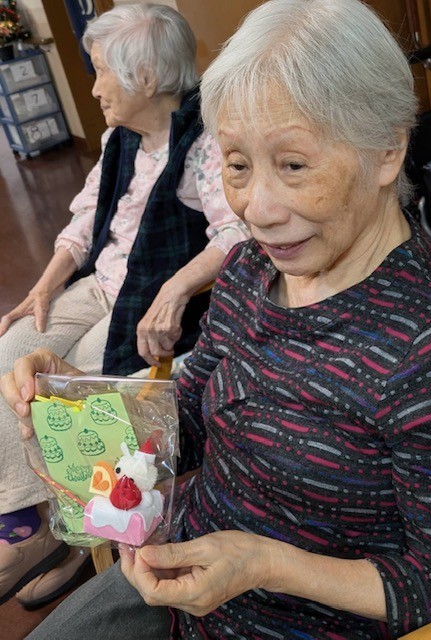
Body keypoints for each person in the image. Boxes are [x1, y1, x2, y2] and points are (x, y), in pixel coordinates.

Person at [2, 0, 431, 637]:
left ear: (388, 150)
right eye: (236, 165)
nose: (256, 209)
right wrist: (79, 401)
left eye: (293, 165)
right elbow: (192, 414)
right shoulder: (253, 268)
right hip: (184, 560)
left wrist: (265, 566)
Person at [0, 3, 248, 608]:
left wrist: (175, 288)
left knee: (71, 393)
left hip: (144, 300)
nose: (94, 87)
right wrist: (45, 285)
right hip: (100, 285)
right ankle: (28, 519)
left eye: (102, 71)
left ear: (145, 78)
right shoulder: (119, 140)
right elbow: (86, 221)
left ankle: (64, 533)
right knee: (10, 354)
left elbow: (234, 233)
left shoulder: (203, 145)